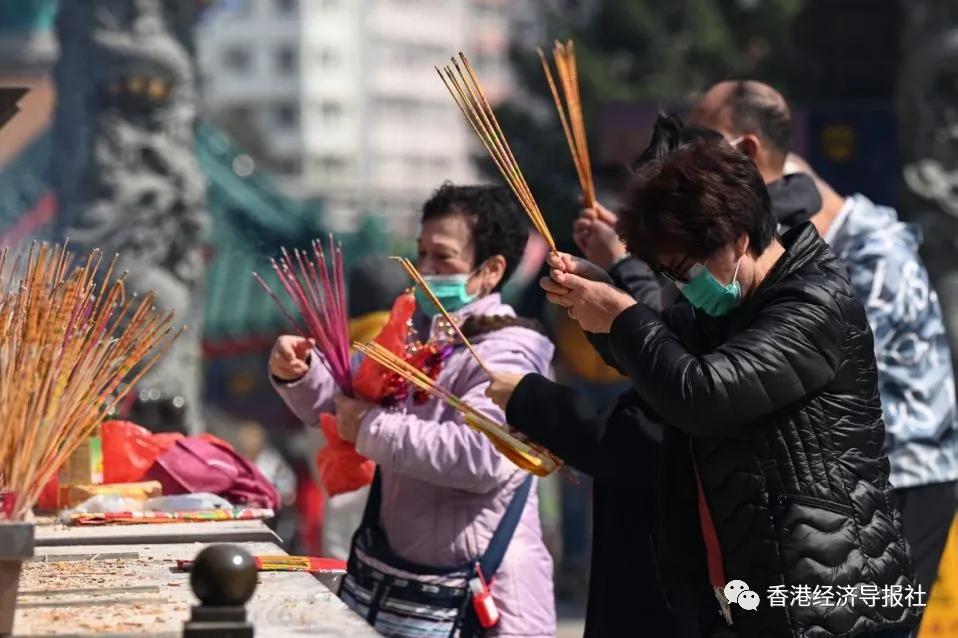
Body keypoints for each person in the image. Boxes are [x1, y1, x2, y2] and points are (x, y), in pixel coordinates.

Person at [492, 139, 917, 637]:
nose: (682, 286)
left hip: (835, 598)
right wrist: (596, 296)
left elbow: (702, 393)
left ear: (736, 238)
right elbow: (655, 355)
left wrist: (620, 316)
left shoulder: (813, 303)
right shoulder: (731, 307)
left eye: (683, 270)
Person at [692, 80, 958, 602]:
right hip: (845, 484)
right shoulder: (807, 251)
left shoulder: (874, 252)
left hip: (905, 476)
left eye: (704, 142)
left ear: (750, 152)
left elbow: (830, 372)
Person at [269, 183, 556, 637]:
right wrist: (300, 374)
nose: (425, 269)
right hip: (411, 589)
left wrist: (370, 426)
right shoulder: (415, 333)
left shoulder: (509, 351)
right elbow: (344, 400)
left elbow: (482, 455)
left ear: (491, 270)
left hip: (483, 602)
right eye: (421, 253)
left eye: (443, 257)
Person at [486, 114, 723, 637]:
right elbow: (653, 341)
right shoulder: (701, 297)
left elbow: (644, 430)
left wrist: (530, 398)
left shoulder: (742, 311)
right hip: (656, 553)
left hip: (687, 576)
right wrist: (609, 276)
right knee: (581, 493)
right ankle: (576, 558)